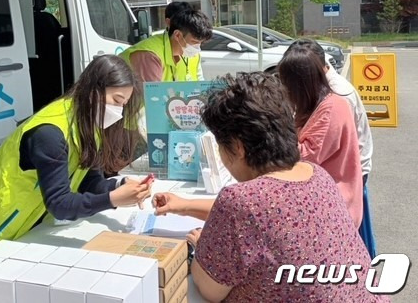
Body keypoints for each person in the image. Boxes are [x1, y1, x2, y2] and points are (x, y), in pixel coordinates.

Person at [152, 73, 386, 302]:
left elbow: (210, 289)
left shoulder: (241, 202)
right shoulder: (317, 175)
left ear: (237, 147)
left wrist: (204, 246)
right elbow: (266, 213)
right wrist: (184, 205)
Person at [0, 55, 152, 257]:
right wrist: (112, 200)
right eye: (116, 101)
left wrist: (120, 185)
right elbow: (59, 203)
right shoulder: (50, 134)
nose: (118, 111)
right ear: (93, 90)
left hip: (24, 222)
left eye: (124, 104)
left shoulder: (90, 125)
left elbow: (90, 182)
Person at [295, 39, 376, 258]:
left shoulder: (336, 97)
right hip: (341, 171)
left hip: (343, 175)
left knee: (345, 242)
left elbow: (310, 153)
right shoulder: (322, 90)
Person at [278, 42, 363, 228]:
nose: (283, 88)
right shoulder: (313, 104)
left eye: (285, 82)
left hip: (332, 210)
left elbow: (305, 158)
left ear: (300, 84)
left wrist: (273, 129)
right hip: (321, 203)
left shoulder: (331, 108)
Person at [119, 8, 212, 82]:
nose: (197, 48)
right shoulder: (149, 55)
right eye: (194, 42)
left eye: (201, 43)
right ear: (177, 35)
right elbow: (151, 99)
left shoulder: (186, 55)